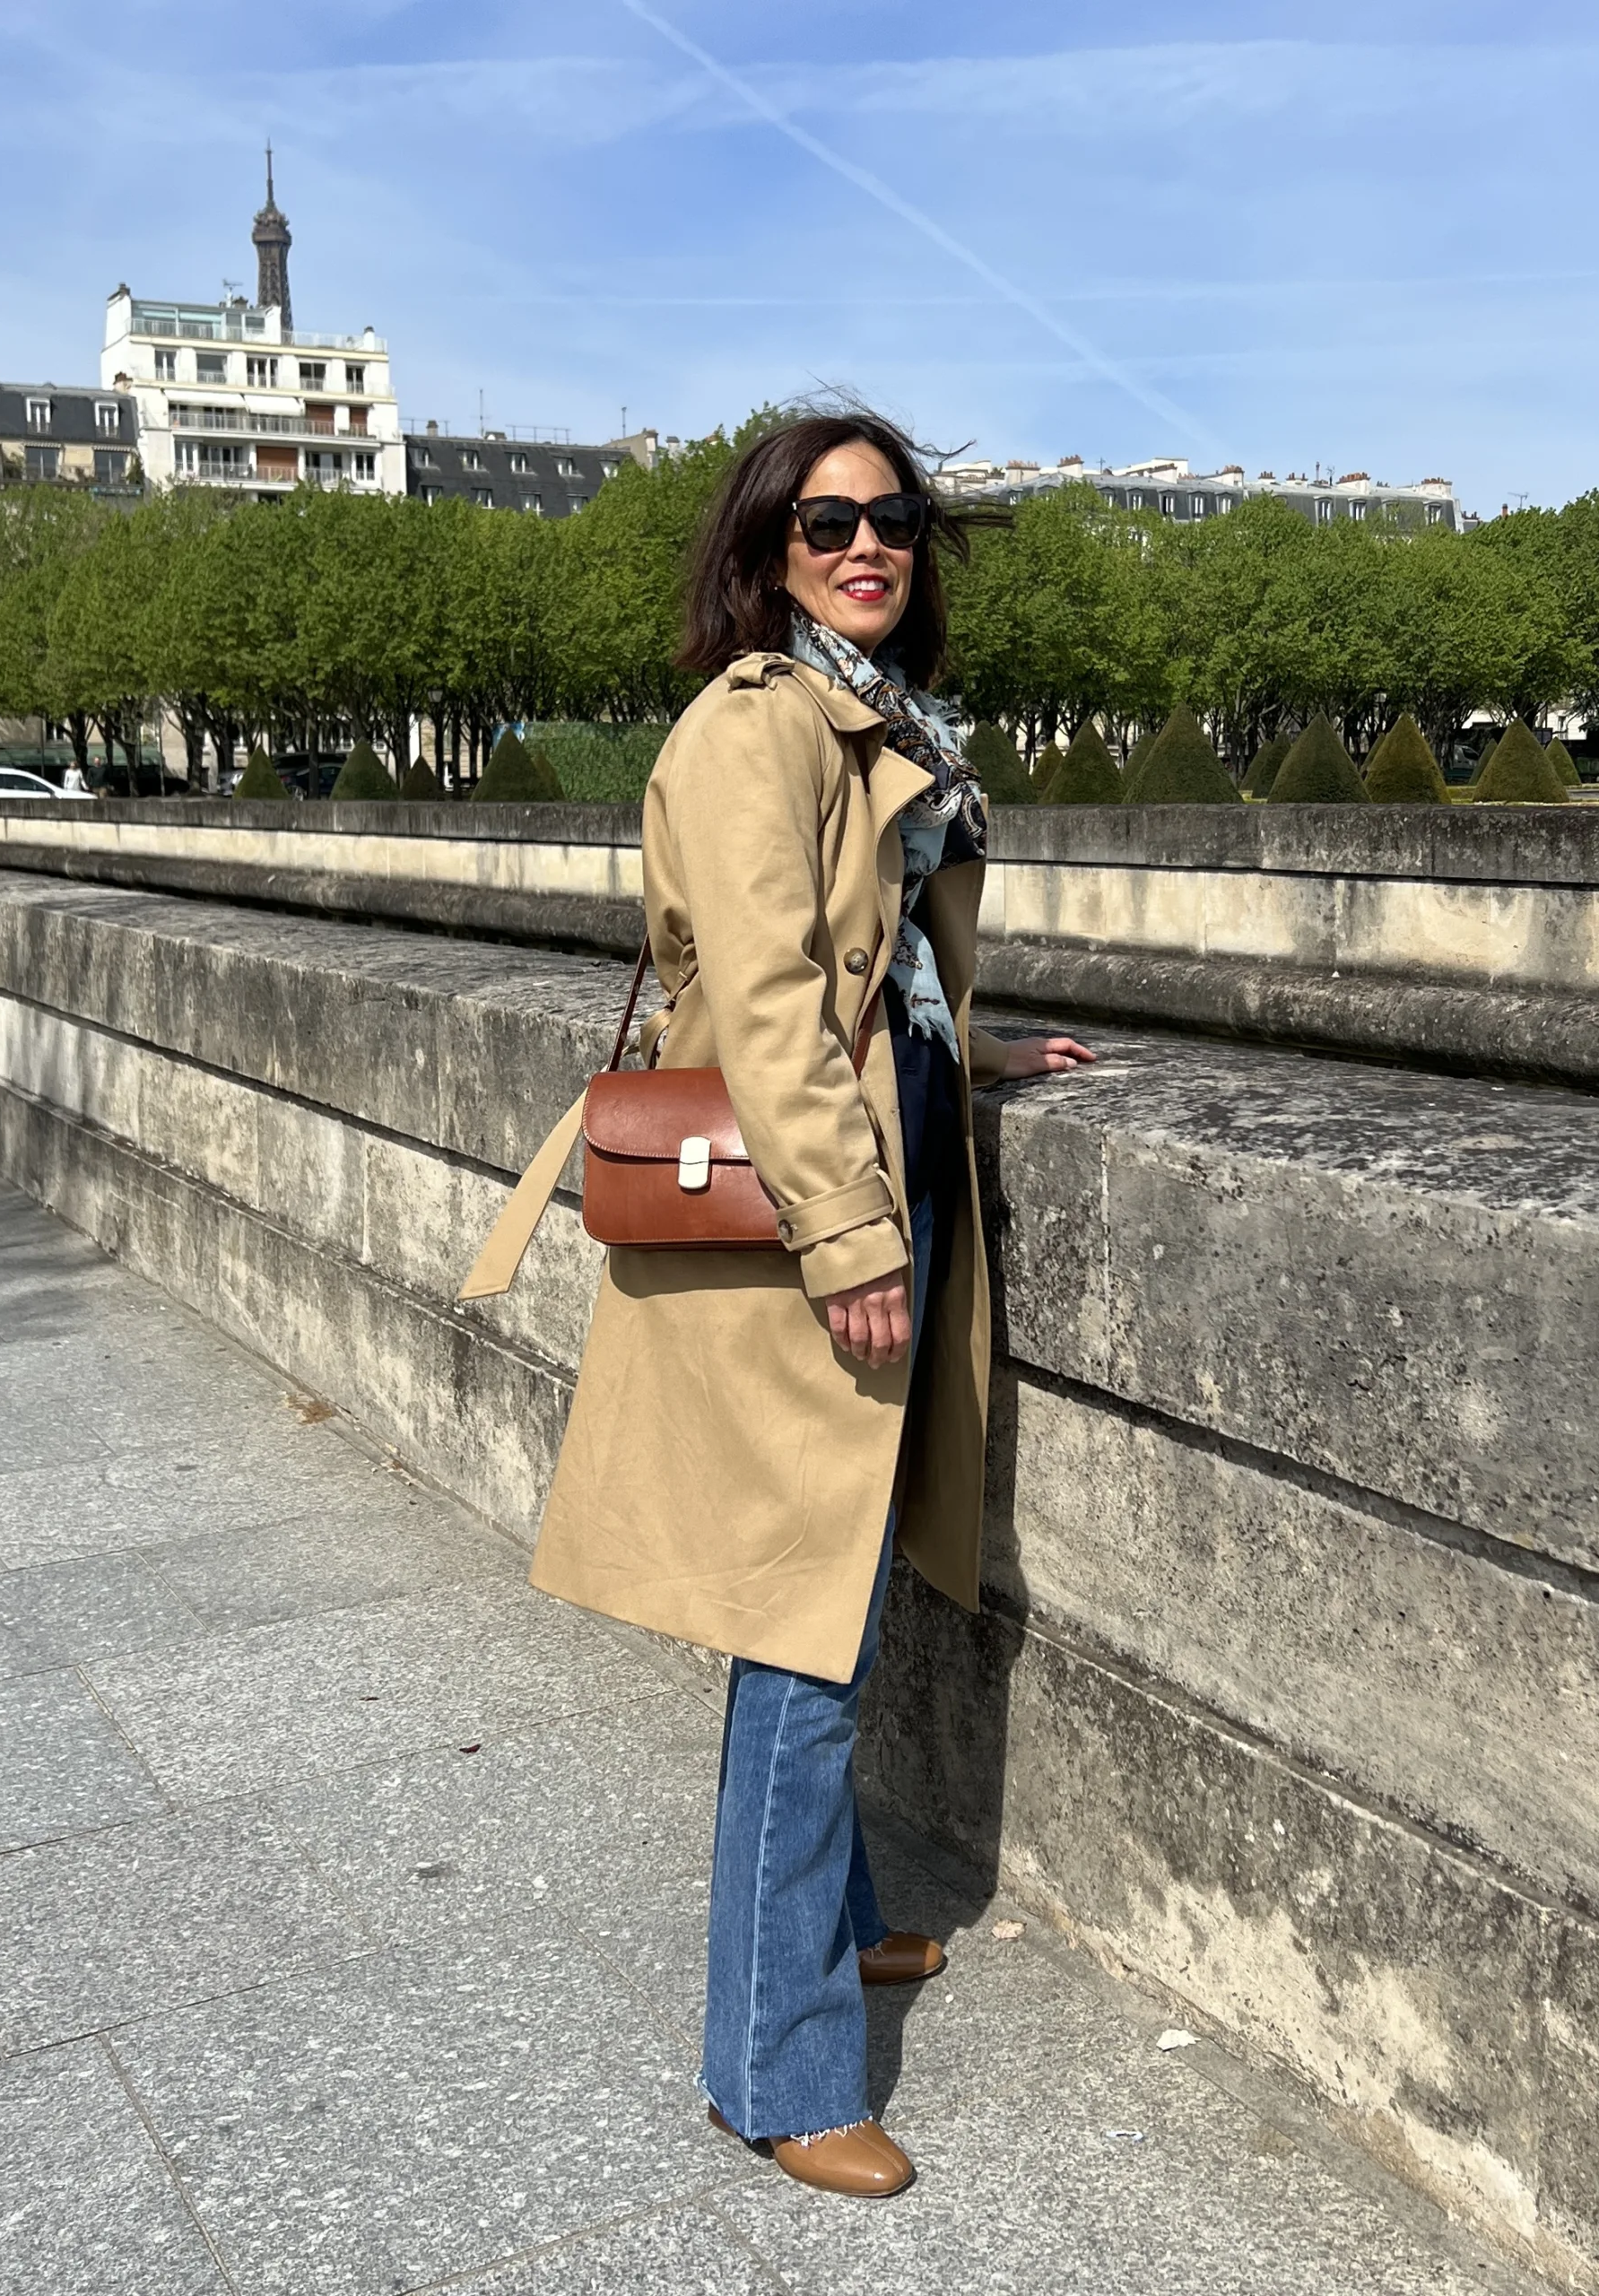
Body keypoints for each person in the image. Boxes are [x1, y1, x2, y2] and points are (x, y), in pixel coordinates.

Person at [523, 411, 1093, 2196]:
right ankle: (773, 2067)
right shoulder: (755, 724)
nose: (869, 541)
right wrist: (850, 1234)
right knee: (801, 1640)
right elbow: (768, 998)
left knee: (822, 1613)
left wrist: (975, 1044)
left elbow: (873, 968)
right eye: (829, 516)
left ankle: (836, 1926)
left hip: (867, 1189)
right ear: (768, 542)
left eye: (894, 515)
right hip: (801, 1236)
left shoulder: (868, 720)